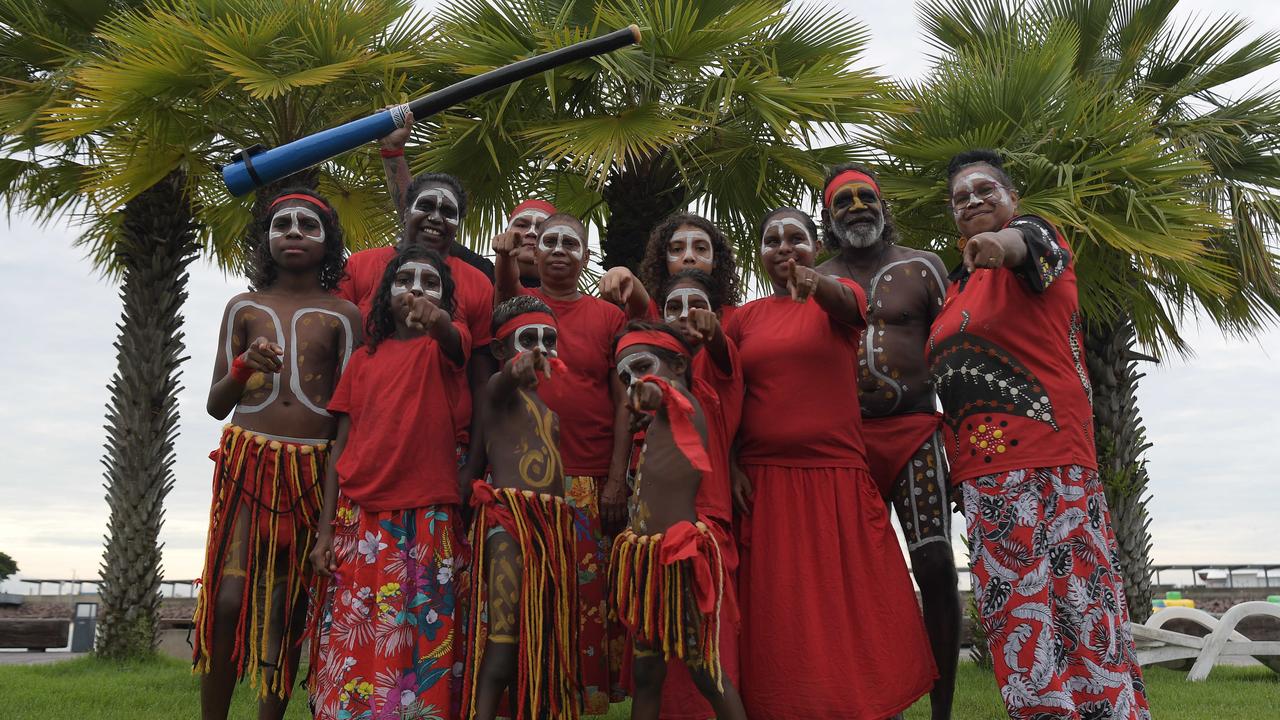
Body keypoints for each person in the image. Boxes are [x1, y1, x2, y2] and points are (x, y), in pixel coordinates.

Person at [932, 149, 1150, 719]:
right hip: (983, 481)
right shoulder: (953, 291)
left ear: (1013, 200)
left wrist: (995, 247)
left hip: (1053, 467)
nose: (973, 201)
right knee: (1019, 628)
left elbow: (1023, 243)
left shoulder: (1036, 241)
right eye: (961, 198)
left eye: (986, 191)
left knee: (1083, 614)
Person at [726, 208, 936, 719]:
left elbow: (846, 305)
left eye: (795, 238)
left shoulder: (841, 298)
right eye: (771, 239)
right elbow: (727, 394)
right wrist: (732, 463)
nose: (783, 247)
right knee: (780, 610)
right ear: (759, 253)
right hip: (766, 480)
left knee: (860, 603)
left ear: (816, 247)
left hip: (836, 476)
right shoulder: (744, 318)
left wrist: (814, 283)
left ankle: (871, 705)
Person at [194, 189, 360, 720]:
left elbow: (346, 421)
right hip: (249, 465)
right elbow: (216, 405)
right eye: (281, 223)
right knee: (226, 604)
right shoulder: (243, 307)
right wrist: (243, 364)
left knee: (287, 613)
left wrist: (332, 520)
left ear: (327, 241)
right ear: (265, 240)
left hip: (312, 472)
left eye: (307, 224)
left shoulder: (344, 314)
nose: (293, 231)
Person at [816, 163, 959, 719]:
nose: (857, 207)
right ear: (828, 218)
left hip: (916, 436)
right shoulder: (817, 275)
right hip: (846, 447)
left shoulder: (922, 268)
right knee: (864, 580)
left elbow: (955, 351)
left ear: (882, 206)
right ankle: (882, 701)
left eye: (866, 197)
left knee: (936, 566)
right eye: (843, 201)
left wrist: (962, 447)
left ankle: (941, 710)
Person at [309, 244, 469, 720]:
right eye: (404, 279)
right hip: (361, 520)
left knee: (420, 637)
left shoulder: (446, 346)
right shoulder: (362, 360)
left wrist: (437, 319)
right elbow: (341, 445)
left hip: (425, 514)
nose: (416, 288)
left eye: (430, 282)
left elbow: (453, 338)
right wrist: (323, 534)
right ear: (383, 293)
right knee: (358, 632)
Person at [494, 213, 630, 714]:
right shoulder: (524, 307)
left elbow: (623, 403)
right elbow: (504, 293)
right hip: (523, 485)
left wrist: (617, 478)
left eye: (570, 243)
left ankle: (570, 704)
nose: (558, 250)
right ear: (536, 249)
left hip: (589, 481)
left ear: (586, 256)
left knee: (581, 607)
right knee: (528, 604)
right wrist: (504, 255)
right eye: (549, 241)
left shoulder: (608, 318)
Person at [609, 323, 748, 720]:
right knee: (647, 673)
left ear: (678, 363)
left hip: (679, 561)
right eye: (625, 377)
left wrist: (647, 392)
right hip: (651, 565)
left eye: (641, 366)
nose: (634, 381)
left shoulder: (681, 400)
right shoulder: (659, 420)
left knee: (706, 673)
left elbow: (661, 392)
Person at [462, 296, 580, 720]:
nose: (542, 349)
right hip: (509, 525)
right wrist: (515, 367)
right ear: (500, 349)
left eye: (550, 340)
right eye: (528, 339)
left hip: (550, 530)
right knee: (504, 641)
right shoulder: (496, 392)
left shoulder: (548, 410)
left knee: (542, 640)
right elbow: (505, 379)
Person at [652, 270, 743, 720]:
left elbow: (725, 359)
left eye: (697, 306)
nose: (686, 316)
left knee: (710, 655)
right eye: (673, 307)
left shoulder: (714, 375)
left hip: (705, 528)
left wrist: (716, 336)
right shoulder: (651, 378)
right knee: (658, 666)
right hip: (654, 537)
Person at [378, 108, 496, 280]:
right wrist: (392, 151)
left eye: (448, 212)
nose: (435, 218)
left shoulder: (480, 280)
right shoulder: (361, 266)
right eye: (426, 206)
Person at [599, 213, 743, 321]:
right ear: (664, 259)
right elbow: (640, 300)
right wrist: (620, 272)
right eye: (676, 249)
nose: (688, 256)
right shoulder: (651, 313)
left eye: (700, 248)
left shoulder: (738, 318)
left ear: (716, 260)